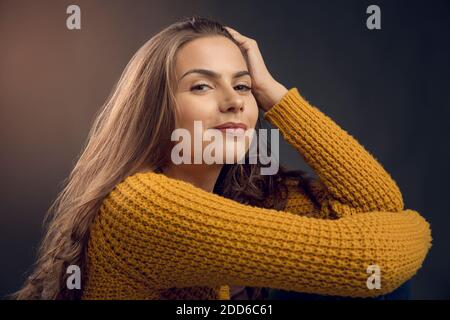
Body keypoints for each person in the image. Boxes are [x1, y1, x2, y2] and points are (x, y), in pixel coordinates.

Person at [12, 16, 431, 300]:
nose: (234, 102)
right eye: (201, 87)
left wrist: (274, 93)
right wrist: (414, 226)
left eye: (244, 87)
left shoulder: (246, 193)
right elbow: (372, 262)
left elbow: (379, 204)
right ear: (157, 110)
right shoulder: (141, 206)